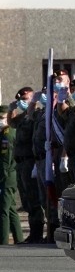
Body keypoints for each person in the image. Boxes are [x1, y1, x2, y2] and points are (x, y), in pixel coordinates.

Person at [0, 104, 24, 245]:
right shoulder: (4, 132)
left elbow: (6, 160)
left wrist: (1, 177)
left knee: (3, 209)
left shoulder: (7, 134)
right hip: (9, 174)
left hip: (7, 175)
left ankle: (3, 241)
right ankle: (19, 238)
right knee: (11, 209)